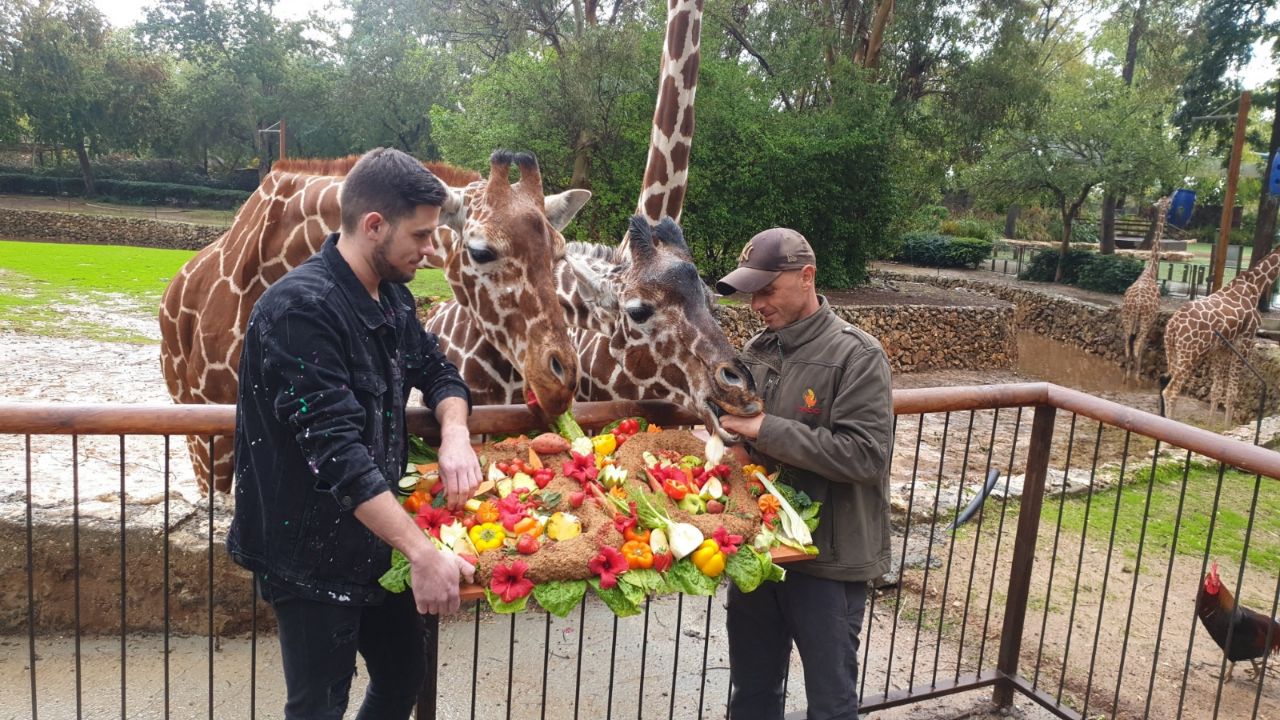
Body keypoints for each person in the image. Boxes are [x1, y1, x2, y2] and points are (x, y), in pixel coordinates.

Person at [228, 147, 481, 720]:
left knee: (403, 677)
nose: (431, 250)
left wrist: (455, 434)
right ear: (374, 226)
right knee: (319, 704)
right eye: (420, 235)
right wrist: (422, 552)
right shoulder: (300, 310)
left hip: (377, 543)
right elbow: (337, 454)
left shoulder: (392, 297)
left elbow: (439, 371)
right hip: (309, 558)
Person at [715, 227, 893, 720]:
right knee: (752, 693)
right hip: (763, 553)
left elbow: (865, 455)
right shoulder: (757, 349)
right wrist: (727, 440)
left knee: (831, 704)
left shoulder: (858, 356)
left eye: (767, 290)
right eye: (751, 293)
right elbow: (744, 439)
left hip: (828, 561)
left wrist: (763, 428)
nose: (756, 303)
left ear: (807, 276)